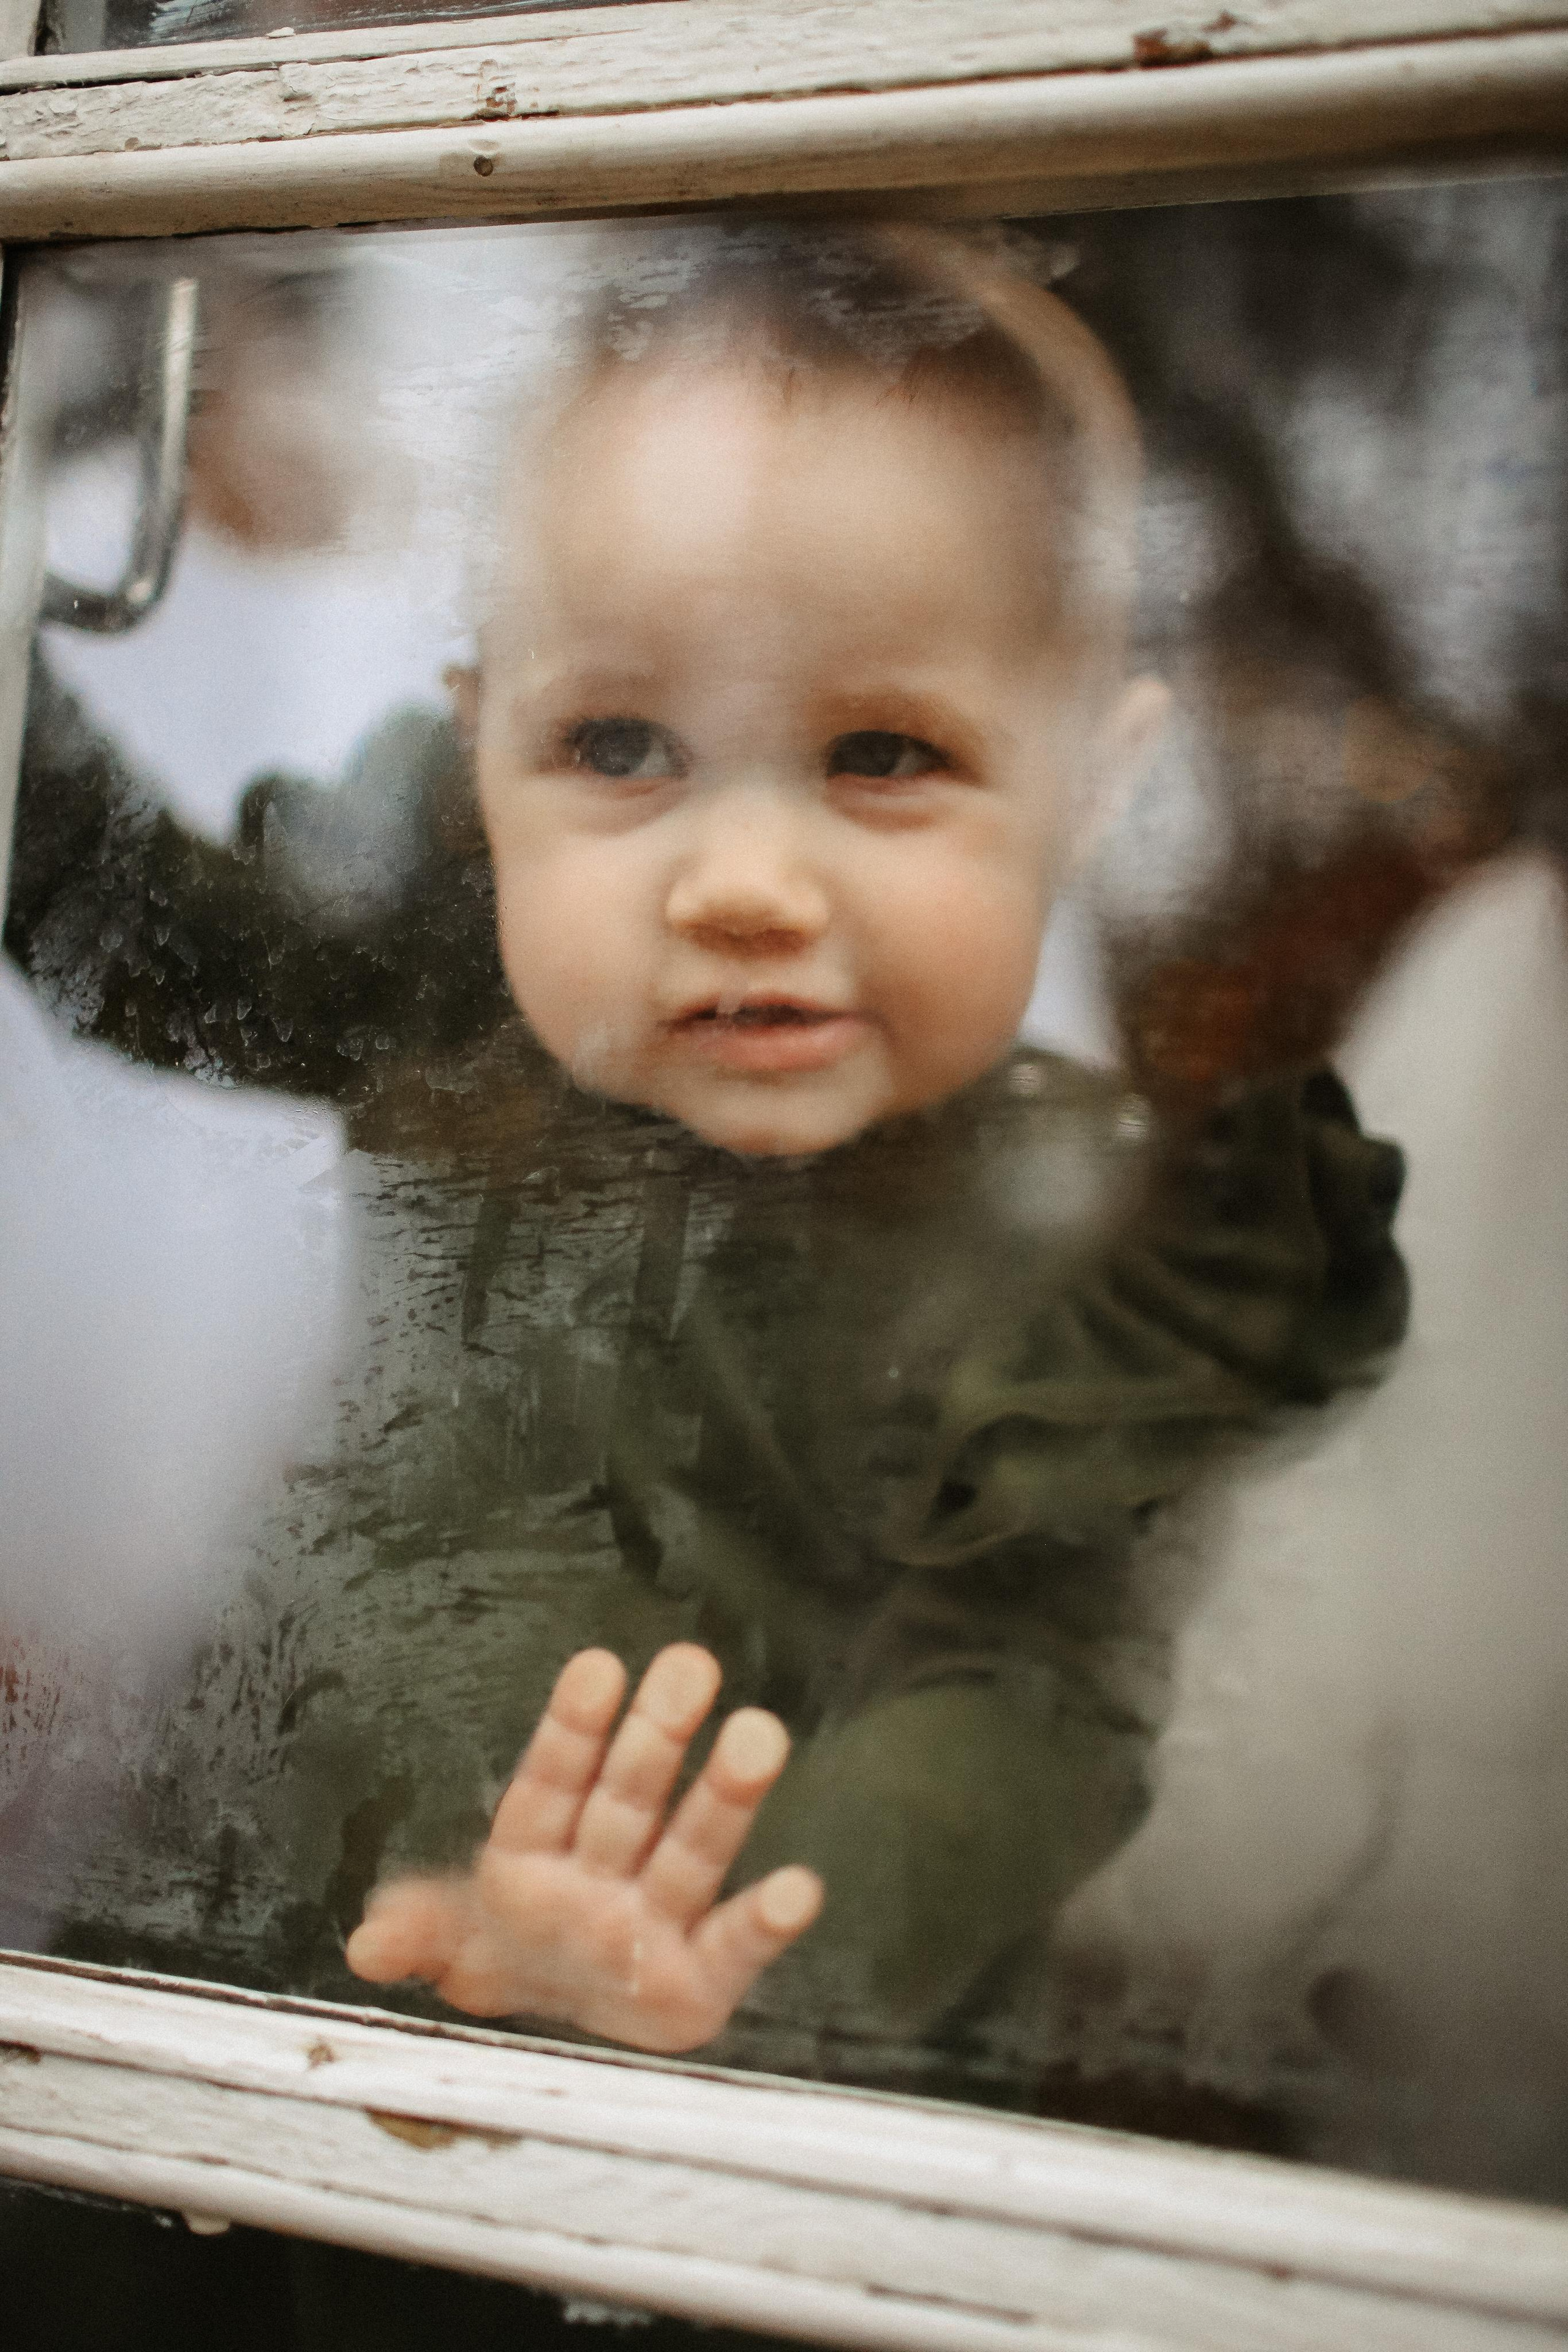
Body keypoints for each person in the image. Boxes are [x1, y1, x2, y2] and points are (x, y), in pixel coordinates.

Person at [317, 221, 1409, 2082]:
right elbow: (119, 906)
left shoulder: (1099, 1233)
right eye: (623, 738)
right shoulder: (450, 1052)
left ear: (1096, 789)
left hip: (772, 2086)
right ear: (481, 755)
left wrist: (740, 1953)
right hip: (301, 2002)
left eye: (885, 753)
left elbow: (1028, 1693)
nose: (743, 886)